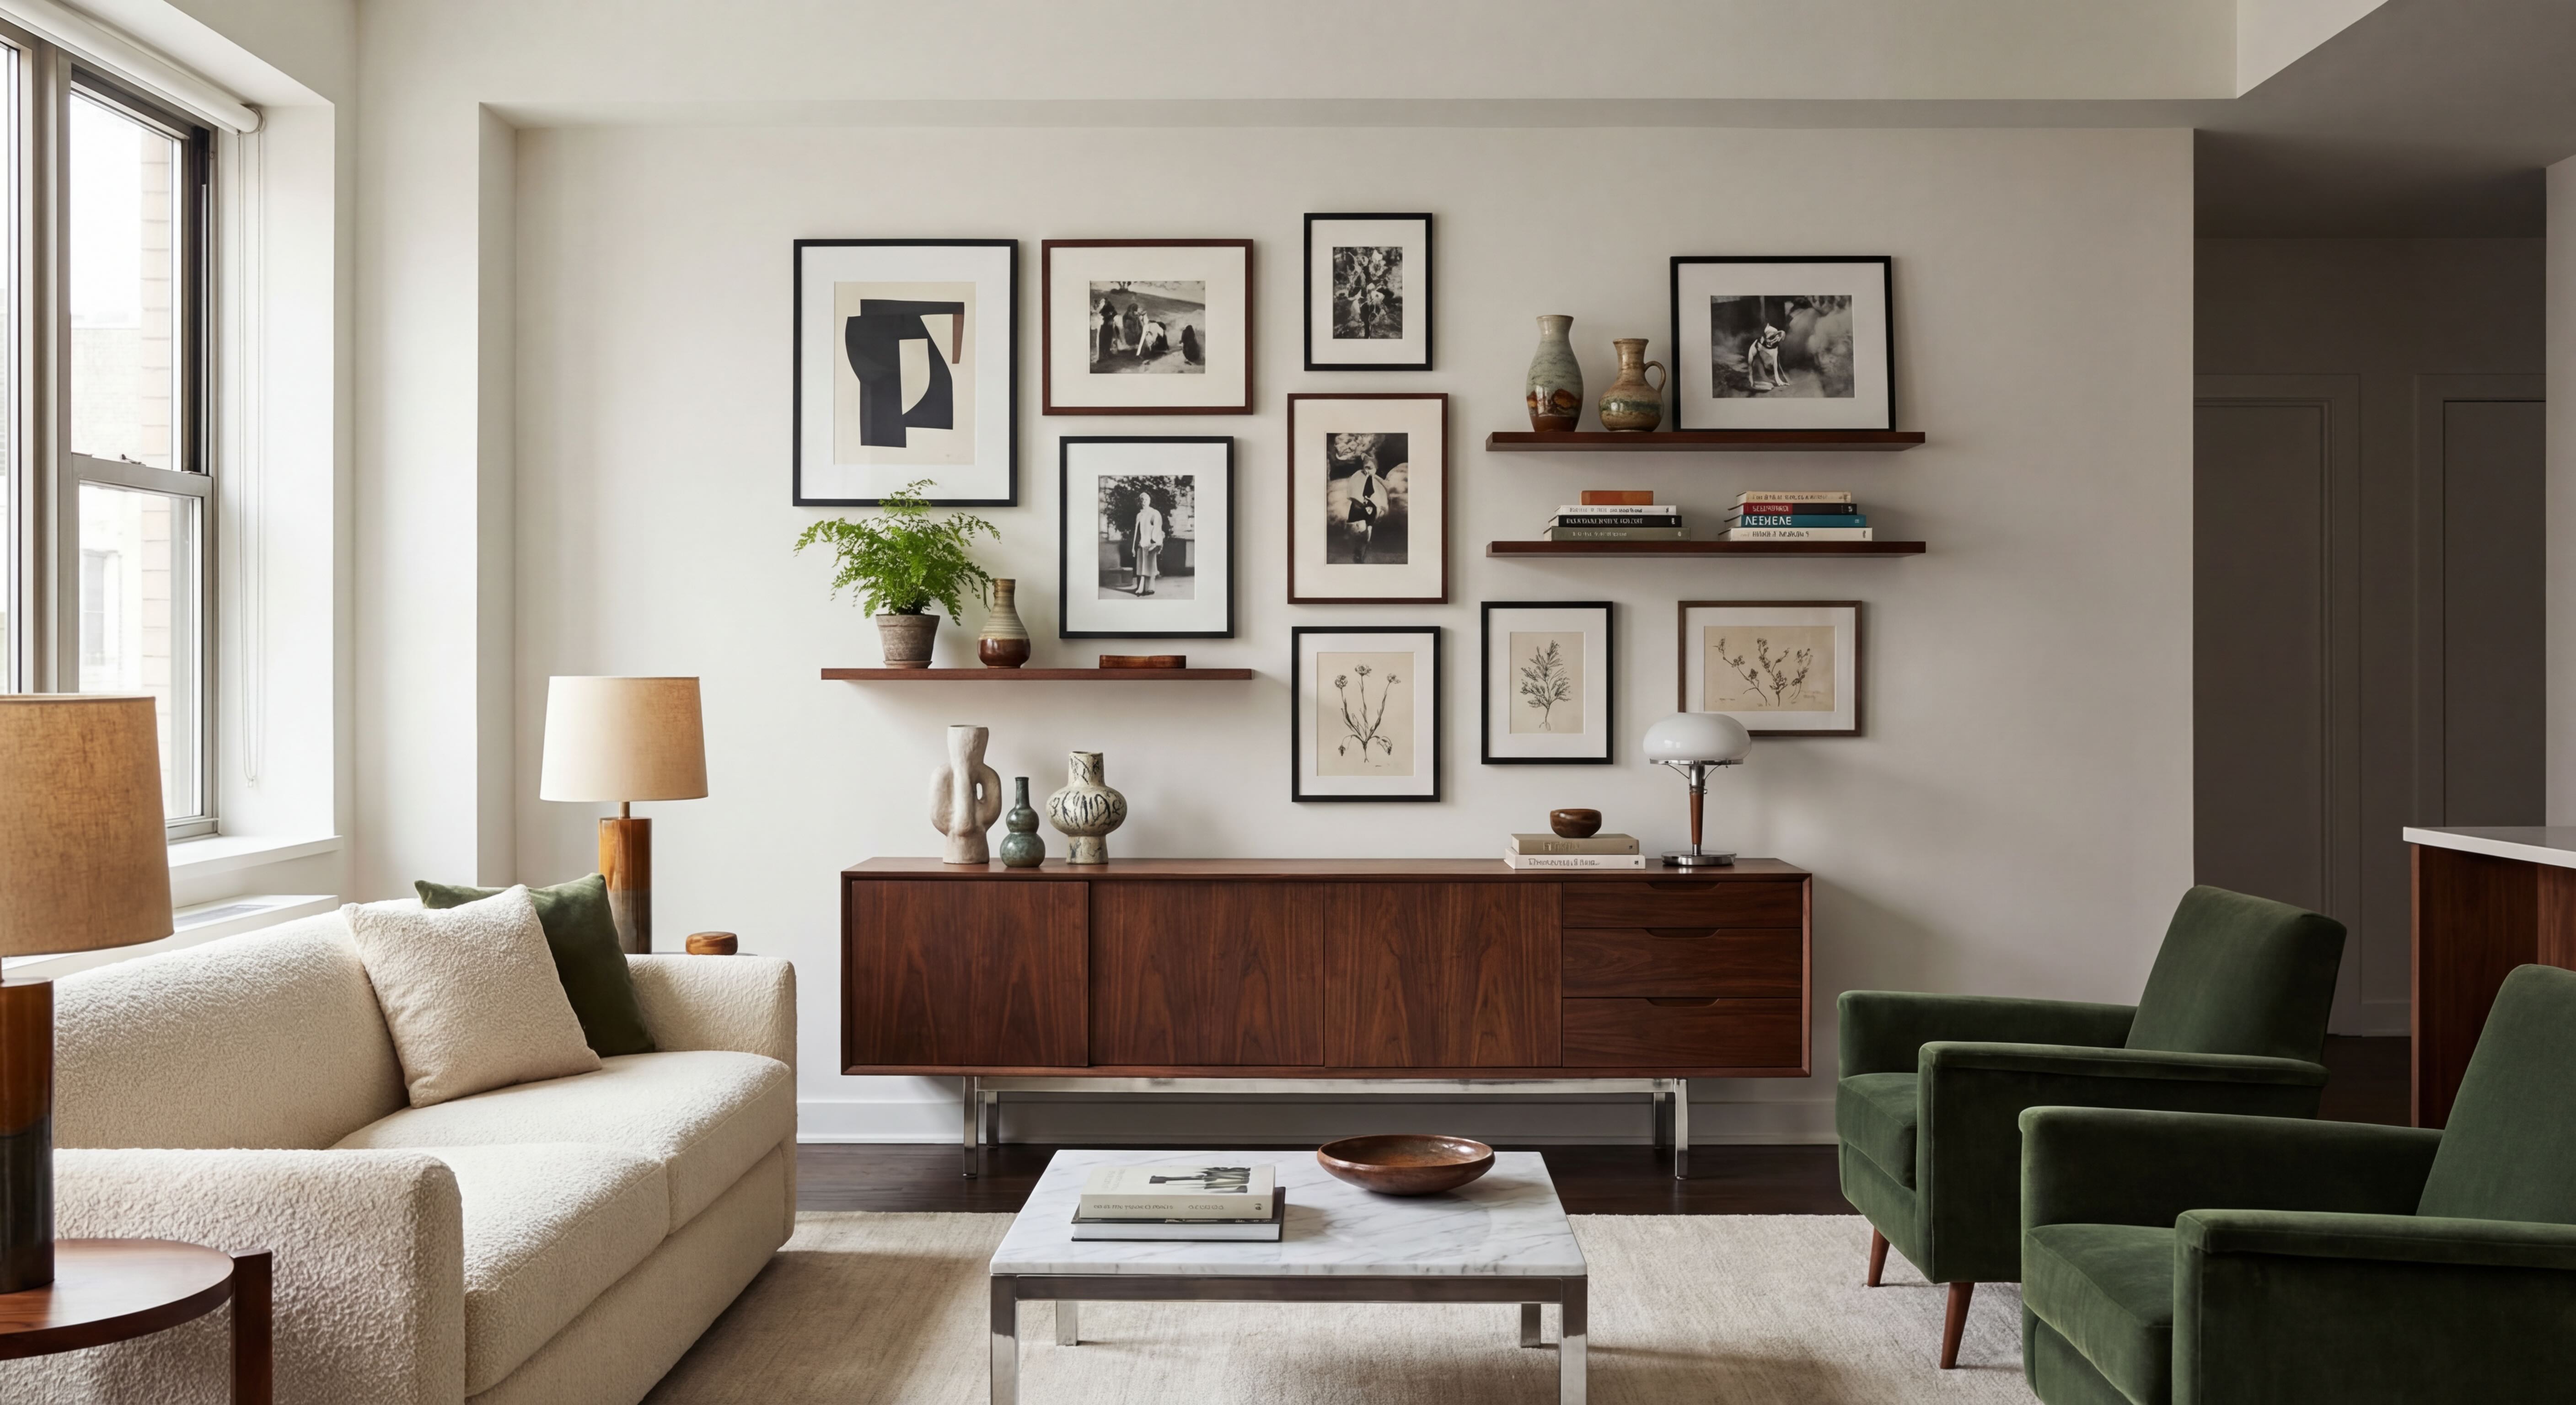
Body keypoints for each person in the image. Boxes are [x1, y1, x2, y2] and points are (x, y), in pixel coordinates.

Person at [1130, 492, 1166, 596]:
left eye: (1146, 500)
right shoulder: (1139, 515)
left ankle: (1149, 588)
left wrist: (1156, 543)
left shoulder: (1154, 513)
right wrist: (1133, 547)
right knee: (1141, 566)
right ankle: (1141, 587)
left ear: (1149, 501)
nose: (1143, 502)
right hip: (1141, 543)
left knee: (1149, 567)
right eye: (1142, 500)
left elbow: (1157, 528)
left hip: (1150, 543)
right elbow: (1136, 531)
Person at [1747, 322, 1787, 392]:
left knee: (1775, 364)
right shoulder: (1759, 344)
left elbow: (1776, 364)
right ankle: (1753, 380)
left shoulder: (1776, 345)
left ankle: (1777, 380)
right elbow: (1751, 360)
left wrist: (1778, 380)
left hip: (1769, 353)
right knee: (1752, 364)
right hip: (1758, 352)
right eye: (1770, 338)